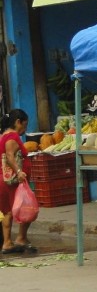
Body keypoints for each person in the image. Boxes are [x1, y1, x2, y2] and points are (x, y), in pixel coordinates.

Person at [0, 108, 36, 254]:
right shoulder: (12, 137)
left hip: (4, 180)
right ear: (17, 122)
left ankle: (8, 242)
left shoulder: (3, 136)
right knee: (28, 207)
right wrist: (19, 172)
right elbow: (10, 156)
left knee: (7, 211)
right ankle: (20, 238)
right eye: (24, 125)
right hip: (12, 182)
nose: (24, 129)